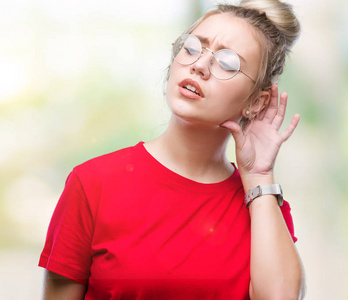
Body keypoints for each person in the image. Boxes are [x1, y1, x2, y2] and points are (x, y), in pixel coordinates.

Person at [39, 0, 305, 299]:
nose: (200, 65)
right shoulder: (92, 183)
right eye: (192, 47)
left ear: (257, 101)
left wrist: (259, 176)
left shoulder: (265, 207)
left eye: (228, 63)